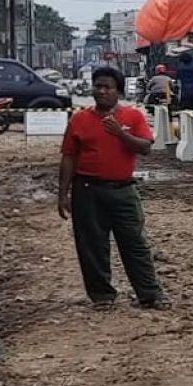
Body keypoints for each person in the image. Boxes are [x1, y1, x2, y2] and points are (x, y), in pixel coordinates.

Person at [57, 66, 169, 310]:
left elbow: (145, 147)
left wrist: (121, 134)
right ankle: (102, 296)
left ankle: (149, 294)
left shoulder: (133, 117)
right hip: (87, 189)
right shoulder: (80, 119)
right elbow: (68, 156)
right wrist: (62, 193)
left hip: (123, 190)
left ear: (118, 91)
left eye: (107, 87)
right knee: (92, 245)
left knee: (134, 242)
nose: (102, 91)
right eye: (98, 86)